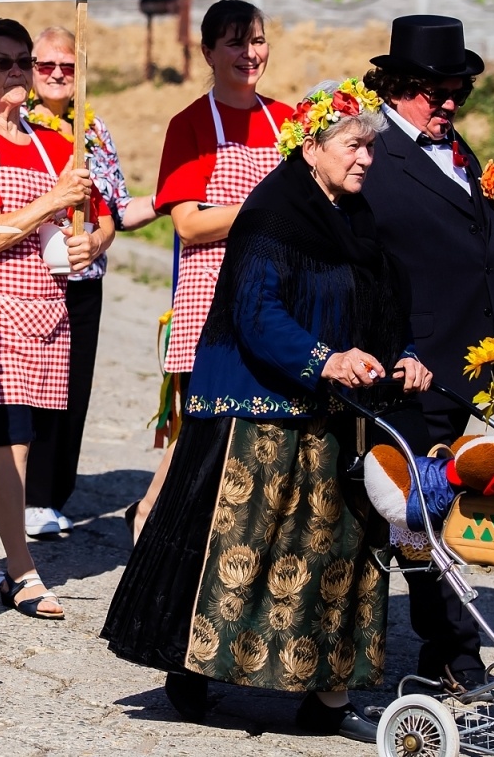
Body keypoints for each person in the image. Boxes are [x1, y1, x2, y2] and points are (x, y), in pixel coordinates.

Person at [103, 80, 423, 740]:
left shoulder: (357, 217)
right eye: (353, 146)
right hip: (258, 407)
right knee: (236, 546)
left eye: (369, 147)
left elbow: (383, 300)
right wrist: (324, 358)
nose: (365, 159)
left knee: (335, 553)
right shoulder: (273, 209)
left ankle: (326, 696)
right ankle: (191, 670)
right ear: (312, 145)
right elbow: (255, 310)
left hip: (332, 414)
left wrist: (407, 353)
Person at [358, 13, 494, 690]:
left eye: (457, 93)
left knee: (426, 505)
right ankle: (455, 651)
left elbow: (478, 252)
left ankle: (436, 647)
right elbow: (361, 262)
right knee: (418, 510)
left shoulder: (453, 145)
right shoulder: (371, 149)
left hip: (464, 365)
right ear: (400, 86)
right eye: (436, 92)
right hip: (407, 366)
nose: (448, 105)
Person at [0, 18, 112, 621]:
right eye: (3, 63)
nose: (17, 72)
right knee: (11, 441)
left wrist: (86, 240)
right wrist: (54, 201)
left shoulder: (48, 141)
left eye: (23, 62)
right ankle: (22, 570)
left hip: (44, 305)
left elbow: (82, 221)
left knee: (3, 442)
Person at [130, 0, 290, 539]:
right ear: (207, 52)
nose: (251, 53)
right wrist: (262, 212)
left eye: (259, 40)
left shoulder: (288, 121)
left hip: (277, 288)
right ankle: (153, 519)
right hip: (213, 286)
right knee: (202, 418)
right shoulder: (190, 124)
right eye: (235, 43)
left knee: (264, 417)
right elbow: (190, 226)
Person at [22, 26, 155, 538]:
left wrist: (171, 200)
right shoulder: (19, 122)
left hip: (84, 277)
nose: (57, 74)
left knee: (73, 389)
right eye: (46, 65)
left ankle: (52, 493)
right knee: (30, 387)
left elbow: (116, 208)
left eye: (68, 67)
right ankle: (22, 492)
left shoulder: (94, 128)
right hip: (32, 275)